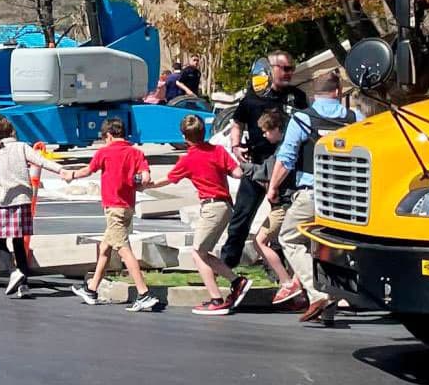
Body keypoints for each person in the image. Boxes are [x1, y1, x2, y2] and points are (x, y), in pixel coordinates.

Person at [268, 70, 362, 324]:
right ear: (339, 91)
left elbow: (286, 159)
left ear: (314, 93)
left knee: (289, 237)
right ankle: (328, 310)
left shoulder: (302, 119)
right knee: (328, 245)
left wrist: (273, 187)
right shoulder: (356, 118)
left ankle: (318, 291)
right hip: (349, 196)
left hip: (314, 193)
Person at [149, 115, 250, 315]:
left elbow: (168, 179)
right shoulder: (218, 151)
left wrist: (147, 184)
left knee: (198, 253)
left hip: (211, 206)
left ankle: (217, 297)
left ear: (184, 137)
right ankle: (236, 282)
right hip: (225, 205)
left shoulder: (188, 159)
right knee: (204, 251)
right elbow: (238, 173)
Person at [221, 50, 308, 268]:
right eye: (285, 68)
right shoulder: (253, 97)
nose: (289, 73)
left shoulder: (297, 97)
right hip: (257, 163)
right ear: (271, 69)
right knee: (242, 215)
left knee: (282, 220)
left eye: (292, 69)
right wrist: (235, 145)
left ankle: (278, 267)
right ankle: (228, 264)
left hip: (285, 168)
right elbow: (237, 122)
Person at [67, 118, 161, 312]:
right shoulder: (136, 152)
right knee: (105, 248)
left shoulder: (104, 152)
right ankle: (92, 289)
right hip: (127, 207)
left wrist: (71, 175)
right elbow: (145, 177)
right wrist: (138, 182)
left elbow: (88, 170)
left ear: (108, 136)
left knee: (123, 249)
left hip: (113, 208)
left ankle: (144, 293)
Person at [0, 118, 65, 298]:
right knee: (19, 242)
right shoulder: (22, 147)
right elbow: (41, 161)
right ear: (12, 131)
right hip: (21, 199)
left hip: (1, 200)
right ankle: (23, 283)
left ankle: (13, 271)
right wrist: (62, 171)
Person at [246, 110, 299, 305]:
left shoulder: (282, 152)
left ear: (277, 129)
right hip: (289, 203)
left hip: (282, 204)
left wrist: (245, 167)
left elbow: (266, 174)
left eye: (266, 131)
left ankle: (286, 282)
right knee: (293, 244)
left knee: (259, 241)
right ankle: (296, 284)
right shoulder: (289, 147)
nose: (264, 135)